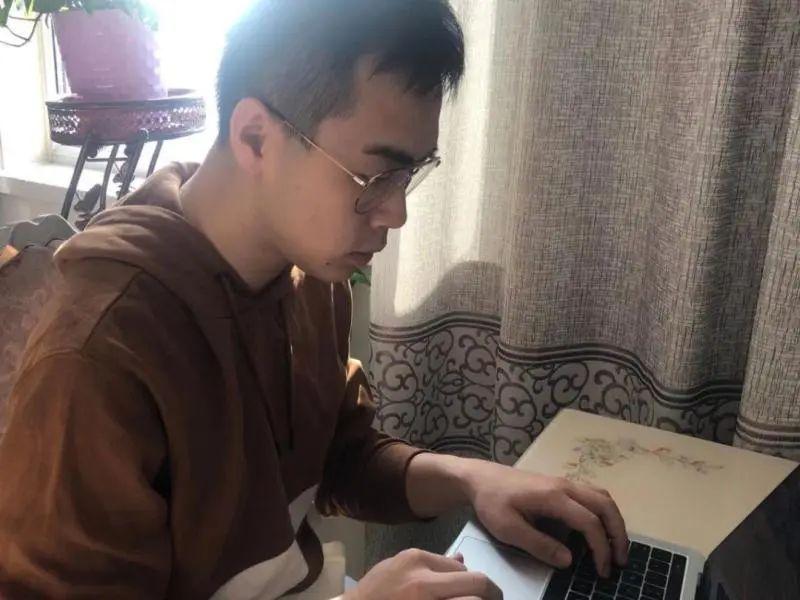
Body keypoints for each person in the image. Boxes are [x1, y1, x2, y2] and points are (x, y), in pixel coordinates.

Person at [0, 1, 629, 598]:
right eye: (375, 175)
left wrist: (472, 478)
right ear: (255, 137)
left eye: (409, 174)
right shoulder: (98, 357)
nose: (397, 213)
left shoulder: (310, 279)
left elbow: (339, 457)